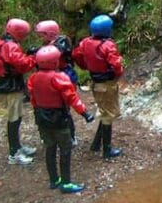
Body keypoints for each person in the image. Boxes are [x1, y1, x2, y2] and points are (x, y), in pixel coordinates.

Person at [28, 45, 95, 193]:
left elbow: (32, 98)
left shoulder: (33, 78)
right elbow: (72, 98)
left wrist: (39, 109)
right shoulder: (59, 77)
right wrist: (85, 113)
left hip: (41, 118)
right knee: (65, 148)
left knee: (49, 148)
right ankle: (66, 183)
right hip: (58, 118)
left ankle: (54, 179)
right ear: (54, 62)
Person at [72, 15, 124, 159]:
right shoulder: (108, 45)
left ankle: (96, 144)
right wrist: (118, 73)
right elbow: (116, 64)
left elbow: (76, 56)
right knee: (108, 114)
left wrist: (85, 66)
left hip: (96, 81)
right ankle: (107, 151)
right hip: (106, 83)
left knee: (104, 110)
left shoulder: (85, 42)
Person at [0, 18, 38, 165]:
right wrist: (33, 58)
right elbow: (22, 64)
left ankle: (17, 147)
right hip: (11, 84)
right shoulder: (10, 45)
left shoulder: (5, 42)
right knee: (14, 117)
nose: (24, 37)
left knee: (17, 116)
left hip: (12, 82)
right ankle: (14, 153)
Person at [34, 20, 79, 145]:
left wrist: (37, 51)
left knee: (64, 108)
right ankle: (50, 136)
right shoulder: (46, 45)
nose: (40, 37)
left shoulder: (62, 41)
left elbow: (58, 51)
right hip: (51, 77)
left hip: (65, 75)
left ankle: (71, 136)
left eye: (42, 34)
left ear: (50, 33)